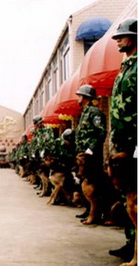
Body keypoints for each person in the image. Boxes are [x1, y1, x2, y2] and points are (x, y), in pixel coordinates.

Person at [108, 18, 137, 261]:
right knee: (128, 197)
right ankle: (132, 243)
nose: (118, 40)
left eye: (123, 36)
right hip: (124, 144)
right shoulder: (126, 67)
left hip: (135, 145)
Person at [74, 84, 107, 219]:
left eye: (79, 96)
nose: (78, 99)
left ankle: (97, 213)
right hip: (84, 155)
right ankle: (89, 210)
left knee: (94, 184)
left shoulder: (95, 113)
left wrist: (90, 149)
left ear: (85, 97)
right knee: (85, 183)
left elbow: (101, 132)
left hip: (91, 155)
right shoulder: (85, 113)